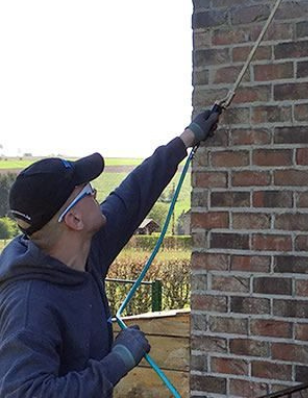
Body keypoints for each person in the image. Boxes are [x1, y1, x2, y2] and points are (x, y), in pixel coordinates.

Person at [0, 108, 220, 398]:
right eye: (88, 192)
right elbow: (25, 393)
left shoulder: (86, 249)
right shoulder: (30, 306)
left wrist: (185, 139)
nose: (97, 194)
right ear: (74, 220)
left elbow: (132, 194)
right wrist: (117, 362)